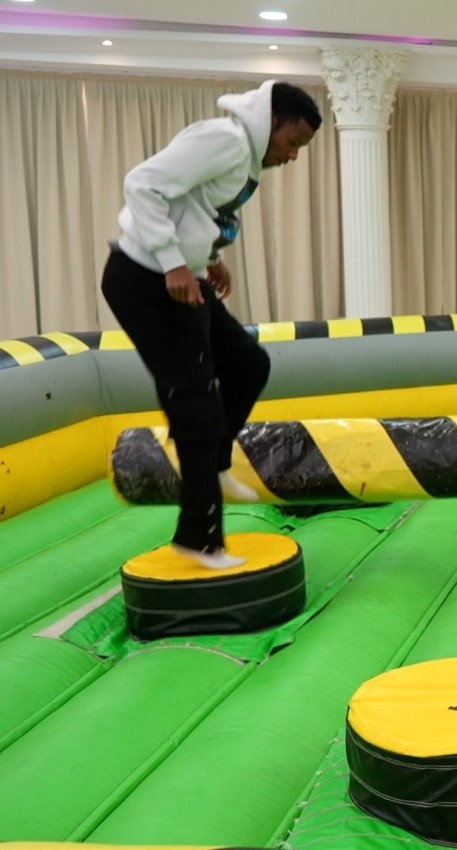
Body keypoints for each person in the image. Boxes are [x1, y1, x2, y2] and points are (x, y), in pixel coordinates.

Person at [100, 80, 322, 569]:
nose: (292, 156)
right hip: (145, 279)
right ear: (272, 123)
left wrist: (208, 257)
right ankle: (197, 539)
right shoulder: (225, 141)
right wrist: (174, 262)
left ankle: (215, 466)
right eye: (293, 143)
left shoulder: (244, 157)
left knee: (247, 364)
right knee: (194, 401)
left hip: (181, 277)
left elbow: (196, 208)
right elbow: (143, 183)